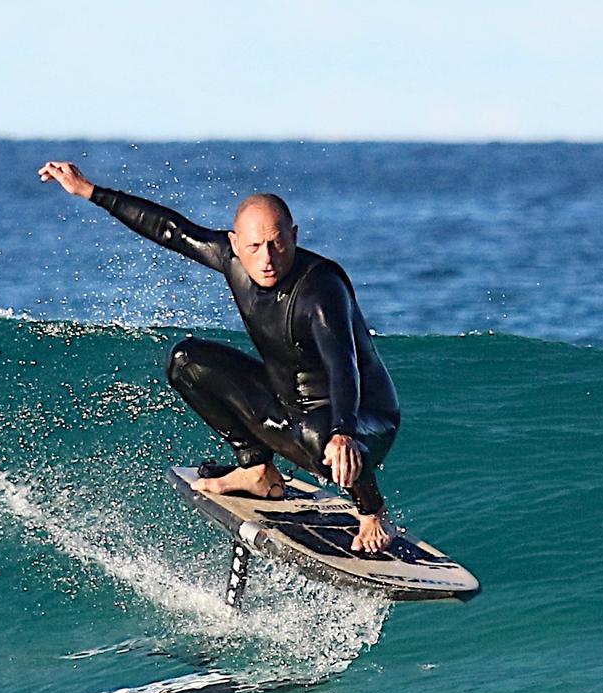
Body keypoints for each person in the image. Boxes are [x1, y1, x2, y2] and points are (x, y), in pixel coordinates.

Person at [38, 160, 400, 554]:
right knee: (186, 361)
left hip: (363, 419)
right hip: (290, 408)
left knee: (322, 433)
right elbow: (170, 230)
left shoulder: (321, 289)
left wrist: (344, 432)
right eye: (253, 247)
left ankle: (372, 511)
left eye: (277, 243)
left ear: (294, 236)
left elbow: (342, 365)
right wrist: (90, 191)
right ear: (234, 243)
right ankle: (257, 469)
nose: (266, 258)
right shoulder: (230, 259)